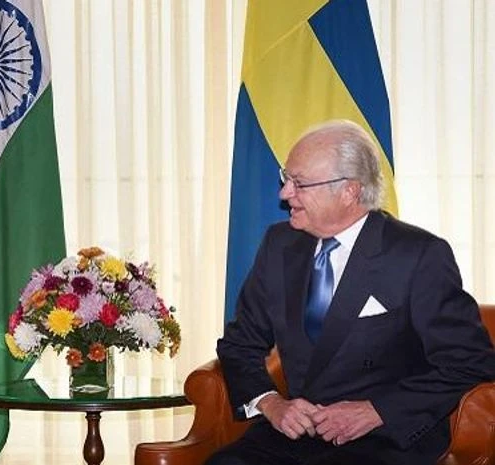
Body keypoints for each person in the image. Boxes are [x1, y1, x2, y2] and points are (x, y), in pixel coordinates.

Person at [207, 120, 495, 465]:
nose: (284, 193)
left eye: (299, 183)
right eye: (286, 178)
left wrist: (377, 411)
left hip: (384, 437)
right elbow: (240, 344)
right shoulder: (279, 244)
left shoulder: (418, 255)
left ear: (349, 192)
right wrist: (272, 403)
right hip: (296, 435)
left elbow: (470, 361)